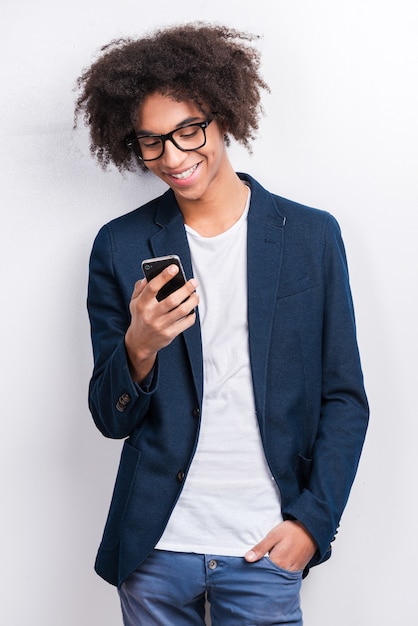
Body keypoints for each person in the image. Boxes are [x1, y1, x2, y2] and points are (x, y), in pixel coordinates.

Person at [75, 22, 369, 626]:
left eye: (188, 131)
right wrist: (139, 347)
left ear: (224, 116)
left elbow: (345, 397)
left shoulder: (311, 236)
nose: (173, 158)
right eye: (150, 141)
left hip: (265, 543)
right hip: (154, 550)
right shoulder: (120, 245)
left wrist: (313, 524)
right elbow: (111, 418)